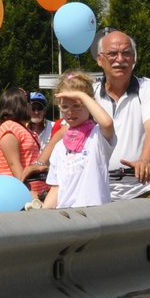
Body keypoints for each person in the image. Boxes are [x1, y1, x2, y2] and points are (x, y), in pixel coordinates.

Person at [90, 29, 150, 199]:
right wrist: (41, 161)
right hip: (103, 189)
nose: (120, 59)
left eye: (126, 53)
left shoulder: (149, 88)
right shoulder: (90, 94)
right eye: (112, 53)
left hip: (149, 186)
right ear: (100, 59)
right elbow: (67, 131)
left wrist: (146, 160)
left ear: (134, 58)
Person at [43, 72, 117, 210]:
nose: (70, 112)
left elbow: (107, 123)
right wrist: (42, 214)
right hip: (68, 218)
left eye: (77, 105)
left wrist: (82, 96)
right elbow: (56, 189)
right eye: (65, 106)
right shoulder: (59, 147)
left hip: (95, 215)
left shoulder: (97, 136)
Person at [0, 87, 47, 200]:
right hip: (19, 196)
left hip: (34, 193)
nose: (30, 107)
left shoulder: (22, 128)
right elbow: (14, 165)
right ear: (20, 105)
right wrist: (29, 194)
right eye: (28, 103)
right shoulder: (9, 128)